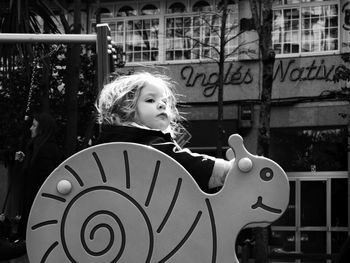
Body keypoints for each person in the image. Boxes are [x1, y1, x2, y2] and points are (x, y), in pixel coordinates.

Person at [95, 71, 233, 193]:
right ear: (121, 114)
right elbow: (181, 162)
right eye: (150, 100)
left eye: (165, 102)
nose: (162, 105)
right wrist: (224, 170)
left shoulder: (104, 150)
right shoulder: (143, 143)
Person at [15, 112, 62, 239]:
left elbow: (43, 176)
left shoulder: (44, 148)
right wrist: (24, 160)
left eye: (34, 126)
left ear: (42, 129)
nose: (31, 128)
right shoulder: (39, 146)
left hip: (38, 202)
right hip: (35, 200)